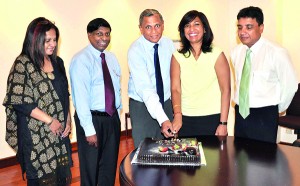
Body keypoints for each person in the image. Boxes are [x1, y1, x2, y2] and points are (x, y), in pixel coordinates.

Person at [3, 17, 72, 185]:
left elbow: (65, 94)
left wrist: (68, 120)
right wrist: (50, 121)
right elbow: (20, 101)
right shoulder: (23, 64)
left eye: (54, 40)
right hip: (36, 137)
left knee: (61, 178)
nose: (52, 44)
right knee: (41, 179)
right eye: (47, 40)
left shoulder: (58, 62)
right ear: (34, 40)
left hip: (59, 133)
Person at [231, 6, 298, 143]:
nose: (243, 32)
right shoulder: (236, 52)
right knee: (240, 157)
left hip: (264, 114)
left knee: (264, 160)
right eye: (240, 27)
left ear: (261, 28)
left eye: (248, 27)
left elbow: (290, 85)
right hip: (240, 112)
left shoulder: (276, 52)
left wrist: (275, 109)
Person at [69, 18, 121, 186]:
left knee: (109, 167)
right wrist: (89, 130)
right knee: (91, 169)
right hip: (92, 120)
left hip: (111, 119)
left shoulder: (111, 58)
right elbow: (81, 98)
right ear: (89, 35)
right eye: (99, 34)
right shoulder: (81, 60)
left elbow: (116, 89)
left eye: (107, 34)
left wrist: (117, 115)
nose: (104, 38)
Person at [171, 10, 231, 137]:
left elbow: (226, 90)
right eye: (187, 25)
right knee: (186, 156)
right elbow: (175, 89)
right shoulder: (177, 56)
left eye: (196, 24)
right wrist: (177, 115)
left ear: (204, 29)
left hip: (212, 118)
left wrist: (223, 123)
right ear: (183, 31)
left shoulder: (217, 53)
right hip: (185, 119)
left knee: (212, 157)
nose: (191, 29)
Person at [128, 9, 176, 147]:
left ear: (163, 25)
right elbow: (145, 89)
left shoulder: (168, 44)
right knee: (145, 151)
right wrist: (162, 119)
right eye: (148, 27)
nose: (154, 31)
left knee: (168, 149)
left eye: (157, 25)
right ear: (141, 28)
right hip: (141, 105)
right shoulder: (135, 50)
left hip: (166, 102)